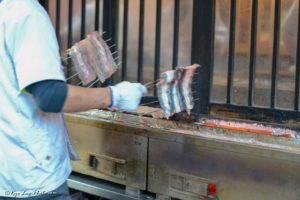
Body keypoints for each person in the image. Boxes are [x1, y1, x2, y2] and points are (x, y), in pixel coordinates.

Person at [0, 0, 147, 199]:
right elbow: (50, 96)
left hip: (8, 175)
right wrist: (115, 95)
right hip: (33, 178)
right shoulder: (26, 12)